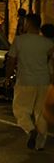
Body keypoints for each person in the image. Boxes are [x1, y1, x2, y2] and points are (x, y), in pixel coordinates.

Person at [5, 14, 53, 151]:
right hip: (43, 81)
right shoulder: (47, 43)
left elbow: (11, 61)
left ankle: (30, 129)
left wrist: (7, 77)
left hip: (25, 80)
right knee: (40, 112)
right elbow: (51, 62)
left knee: (20, 109)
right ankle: (40, 144)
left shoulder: (19, 41)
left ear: (27, 23)